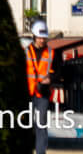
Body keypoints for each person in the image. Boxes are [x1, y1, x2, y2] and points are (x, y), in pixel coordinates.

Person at [25, 19, 54, 154]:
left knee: (41, 124)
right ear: (34, 36)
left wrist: (50, 79)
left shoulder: (52, 53)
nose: (42, 40)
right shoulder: (25, 52)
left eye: (44, 38)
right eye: (40, 37)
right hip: (28, 93)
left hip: (43, 94)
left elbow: (58, 71)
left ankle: (40, 152)